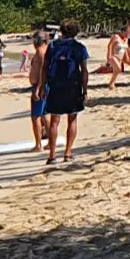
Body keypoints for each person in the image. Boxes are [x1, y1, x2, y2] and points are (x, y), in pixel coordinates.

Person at [38, 18, 90, 164]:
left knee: (54, 120)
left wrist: (43, 86)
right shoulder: (79, 48)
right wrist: (84, 90)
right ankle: (67, 153)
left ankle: (52, 155)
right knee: (72, 119)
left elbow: (44, 66)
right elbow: (84, 71)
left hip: (55, 86)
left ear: (61, 31)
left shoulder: (53, 46)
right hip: (72, 86)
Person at [28, 31, 50, 152]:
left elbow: (43, 70)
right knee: (45, 114)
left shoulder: (41, 52)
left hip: (40, 86)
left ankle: (38, 145)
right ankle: (50, 142)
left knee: (36, 116)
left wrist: (38, 88)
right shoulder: (46, 51)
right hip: (44, 86)